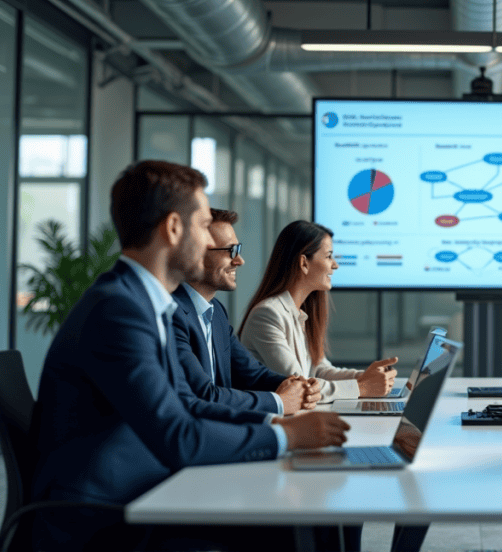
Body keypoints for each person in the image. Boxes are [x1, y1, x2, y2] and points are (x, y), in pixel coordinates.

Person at [30, 160, 353, 551]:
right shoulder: (119, 310)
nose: (209, 242)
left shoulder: (145, 302)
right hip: (101, 513)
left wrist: (279, 422)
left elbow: (186, 403)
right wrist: (284, 435)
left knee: (311, 515)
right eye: (203, 225)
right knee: (293, 521)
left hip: (143, 484)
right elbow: (178, 435)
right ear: (173, 228)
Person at [172, 207, 321, 415]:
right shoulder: (172, 313)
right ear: (195, 254)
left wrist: (298, 385)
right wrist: (279, 401)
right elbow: (203, 394)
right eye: (230, 251)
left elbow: (254, 375)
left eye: (238, 250)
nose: (239, 261)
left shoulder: (216, 312)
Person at [238, 220, 398, 401]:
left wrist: (365, 377)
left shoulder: (300, 313)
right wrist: (362, 387)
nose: (335, 265)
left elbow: (319, 369)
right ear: (304, 263)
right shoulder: (267, 315)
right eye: (329, 256)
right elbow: (301, 386)